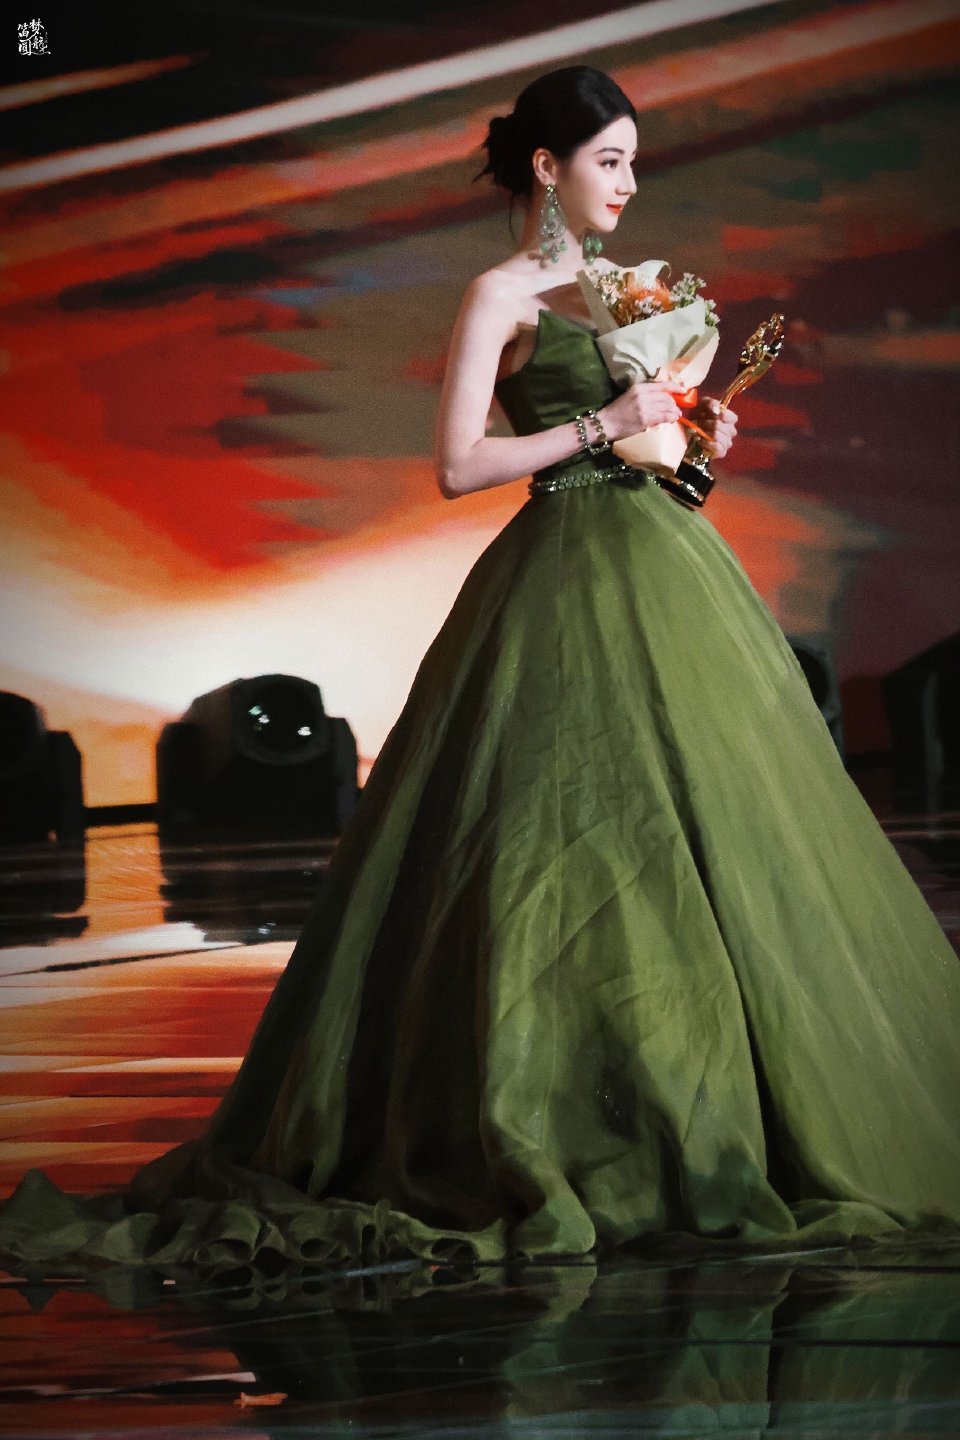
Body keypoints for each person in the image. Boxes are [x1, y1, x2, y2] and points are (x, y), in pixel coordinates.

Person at [2, 66, 959, 1279]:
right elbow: (459, 464)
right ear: (548, 168)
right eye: (609, 159)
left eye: (635, 159)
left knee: (714, 846)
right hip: (561, 576)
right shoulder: (501, 296)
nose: (630, 181)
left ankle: (728, 1112)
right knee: (558, 848)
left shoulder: (633, 289)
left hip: (669, 572)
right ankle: (563, 1109)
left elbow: (663, 467)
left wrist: (689, 438)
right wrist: (604, 425)